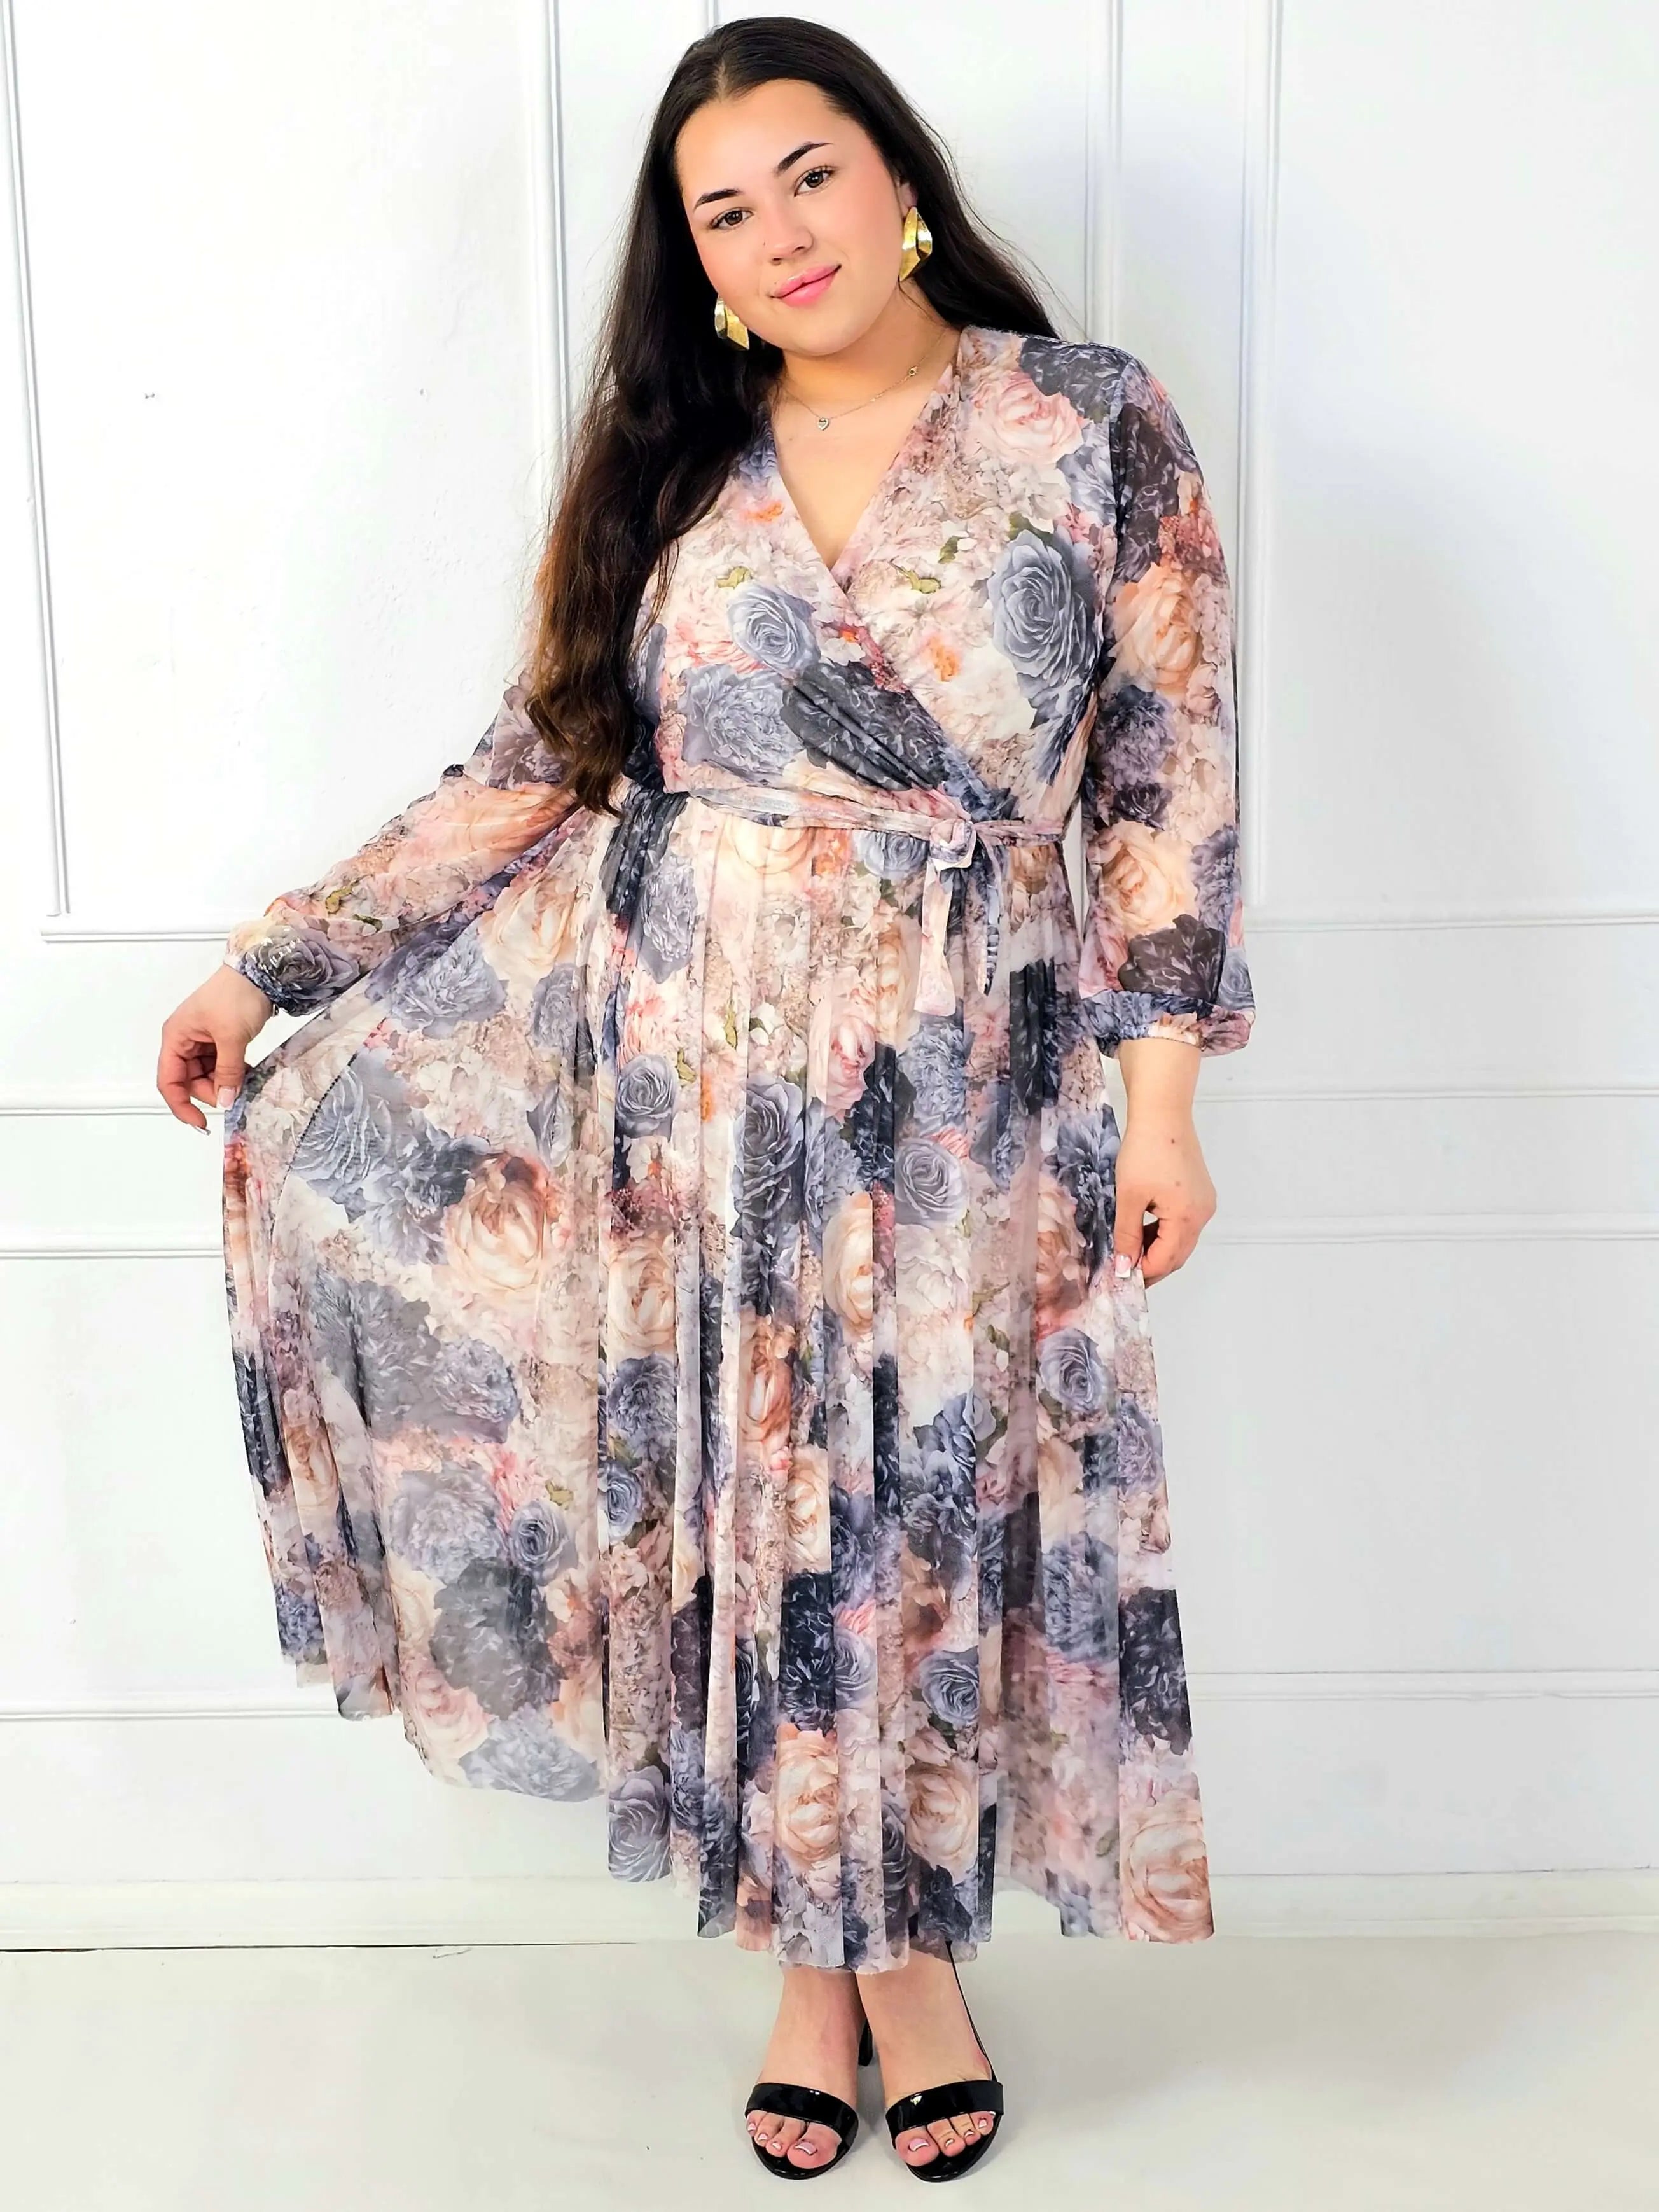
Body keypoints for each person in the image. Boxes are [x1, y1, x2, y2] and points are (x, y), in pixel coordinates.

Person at [157, 15, 1255, 2183]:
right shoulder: (675, 464)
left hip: (972, 1078)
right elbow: (538, 765)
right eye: (724, 213)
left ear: (899, 179)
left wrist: (1162, 1111)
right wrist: (272, 964)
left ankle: (906, 1958)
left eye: (811, 174)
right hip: (700, 1094)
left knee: (918, 1520)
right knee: (755, 1530)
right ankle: (809, 1969)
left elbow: (1167, 788)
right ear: (704, 264)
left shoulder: (1085, 422)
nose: (780, 234)